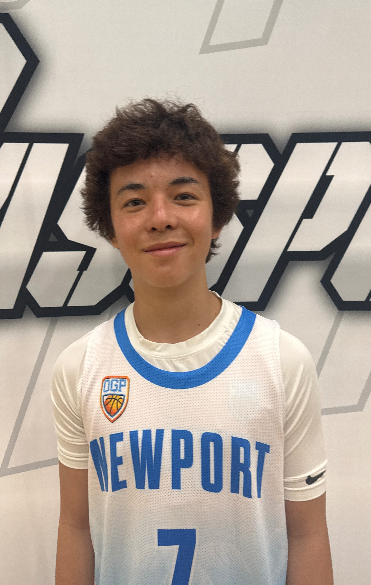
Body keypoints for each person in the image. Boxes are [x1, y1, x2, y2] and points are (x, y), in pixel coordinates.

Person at [52, 99, 334, 585]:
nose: (160, 217)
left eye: (183, 196)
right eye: (135, 201)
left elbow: (307, 534)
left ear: (217, 216)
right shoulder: (81, 368)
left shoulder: (281, 360)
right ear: (110, 228)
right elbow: (77, 527)